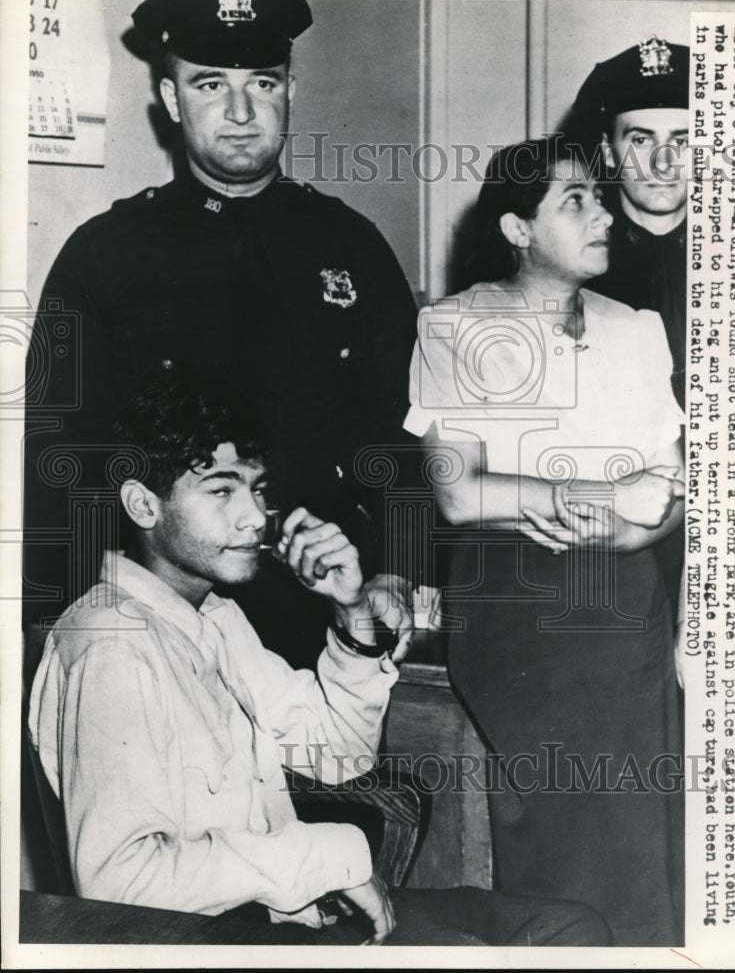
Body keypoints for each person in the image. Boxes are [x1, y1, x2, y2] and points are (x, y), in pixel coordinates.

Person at [27, 375, 611, 947]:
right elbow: (120, 883)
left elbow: (339, 757)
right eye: (222, 490)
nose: (256, 516)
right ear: (142, 504)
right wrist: (333, 859)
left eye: (258, 489)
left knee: (567, 928)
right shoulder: (112, 642)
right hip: (217, 939)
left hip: (292, 915)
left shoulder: (212, 618)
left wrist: (350, 608)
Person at [23, 0, 417, 669]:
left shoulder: (351, 245)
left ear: (289, 90)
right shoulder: (107, 254)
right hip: (163, 615)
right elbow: (59, 448)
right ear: (172, 100)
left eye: (261, 83)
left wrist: (401, 571)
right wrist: (54, 612)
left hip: (320, 595)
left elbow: (402, 428)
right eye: (210, 84)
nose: (241, 112)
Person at [405, 138, 685, 944]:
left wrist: (635, 533)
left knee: (640, 835)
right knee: (564, 838)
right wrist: (605, 494)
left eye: (601, 199)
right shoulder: (454, 325)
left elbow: (672, 486)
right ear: (518, 228)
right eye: (577, 203)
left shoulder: (635, 329)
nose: (604, 215)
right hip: (519, 611)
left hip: (629, 600)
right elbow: (459, 495)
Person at [572, 36, 689, 619]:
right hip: (610, 537)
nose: (663, 163)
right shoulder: (570, 259)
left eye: (684, 141)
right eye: (641, 140)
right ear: (609, 151)